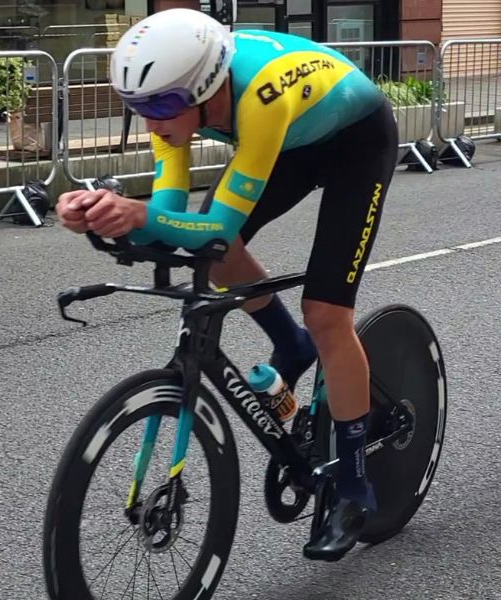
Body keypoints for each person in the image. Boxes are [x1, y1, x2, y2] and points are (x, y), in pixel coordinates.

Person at [55, 9, 399, 562]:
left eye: (161, 106)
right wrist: (101, 215)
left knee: (327, 312)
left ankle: (354, 487)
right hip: (293, 143)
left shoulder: (259, 96)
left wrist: (138, 215)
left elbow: (214, 227)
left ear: (206, 87)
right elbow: (170, 218)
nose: (150, 120)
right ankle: (290, 346)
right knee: (213, 254)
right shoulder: (173, 105)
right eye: (137, 106)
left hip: (356, 139)